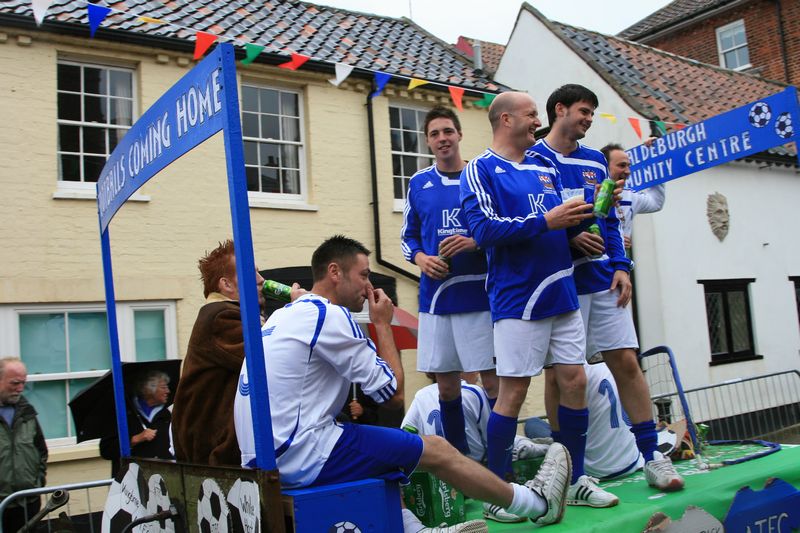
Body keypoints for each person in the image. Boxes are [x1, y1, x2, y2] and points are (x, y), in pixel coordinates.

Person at [235, 235, 572, 531]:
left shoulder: (285, 315)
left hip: (262, 458)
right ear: (335, 272)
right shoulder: (330, 315)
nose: (369, 288)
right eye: (364, 276)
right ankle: (535, 503)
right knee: (434, 449)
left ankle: (414, 529)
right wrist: (382, 323)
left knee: (384, 449)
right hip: (300, 453)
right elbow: (393, 396)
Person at [531, 84, 683, 494]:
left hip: (602, 281)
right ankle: (569, 470)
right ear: (559, 109)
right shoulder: (531, 160)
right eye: (583, 111)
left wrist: (621, 265)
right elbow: (528, 226)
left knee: (627, 363)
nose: (588, 119)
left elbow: (609, 219)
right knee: (561, 377)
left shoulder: (595, 162)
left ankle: (652, 456)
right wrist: (568, 240)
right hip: (560, 285)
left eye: (593, 114)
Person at [459, 91, 600, 519]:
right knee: (514, 392)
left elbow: (556, 223)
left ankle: (573, 481)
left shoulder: (542, 167)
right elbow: (482, 231)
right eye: (530, 113)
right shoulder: (480, 169)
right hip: (518, 297)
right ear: (506, 119)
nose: (537, 120)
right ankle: (499, 494)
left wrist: (589, 216)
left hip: (562, 288)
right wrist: (548, 222)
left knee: (575, 379)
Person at [400, 106, 498, 460]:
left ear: (459, 135)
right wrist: (421, 258)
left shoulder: (482, 176)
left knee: (492, 383)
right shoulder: (419, 183)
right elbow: (406, 238)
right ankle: (463, 466)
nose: (442, 139)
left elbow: (503, 230)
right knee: (446, 386)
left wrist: (474, 241)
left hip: (480, 297)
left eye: (447, 132)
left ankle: (501, 460)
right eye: (435, 134)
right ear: (428, 141)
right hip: (436, 301)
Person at [172, 239, 302, 466]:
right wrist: (299, 311)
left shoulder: (234, 316)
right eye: (252, 273)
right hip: (218, 456)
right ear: (226, 285)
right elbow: (272, 360)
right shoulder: (220, 316)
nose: (262, 280)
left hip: (219, 454)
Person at [525, 363, 643, 480]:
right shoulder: (613, 364)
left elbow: (562, 423)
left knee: (532, 424)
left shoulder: (569, 373)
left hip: (593, 469)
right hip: (632, 461)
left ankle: (553, 448)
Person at [0, 357, 47, 533]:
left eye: (23, 383)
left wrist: (37, 482)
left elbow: (41, 451)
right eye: (14, 383)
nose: (20, 388)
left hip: (28, 502)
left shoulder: (27, 413)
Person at [100, 370, 174, 476]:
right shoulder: (122, 414)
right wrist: (136, 439)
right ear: (149, 389)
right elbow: (106, 451)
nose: (168, 391)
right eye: (163, 387)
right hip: (132, 481)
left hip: (162, 478)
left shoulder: (165, 414)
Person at [601, 143, 666, 251]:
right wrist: (614, 239)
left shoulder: (629, 196)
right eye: (622, 165)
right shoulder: (588, 193)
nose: (628, 171)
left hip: (620, 265)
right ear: (604, 166)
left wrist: (654, 156)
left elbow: (656, 203)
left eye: (628, 166)